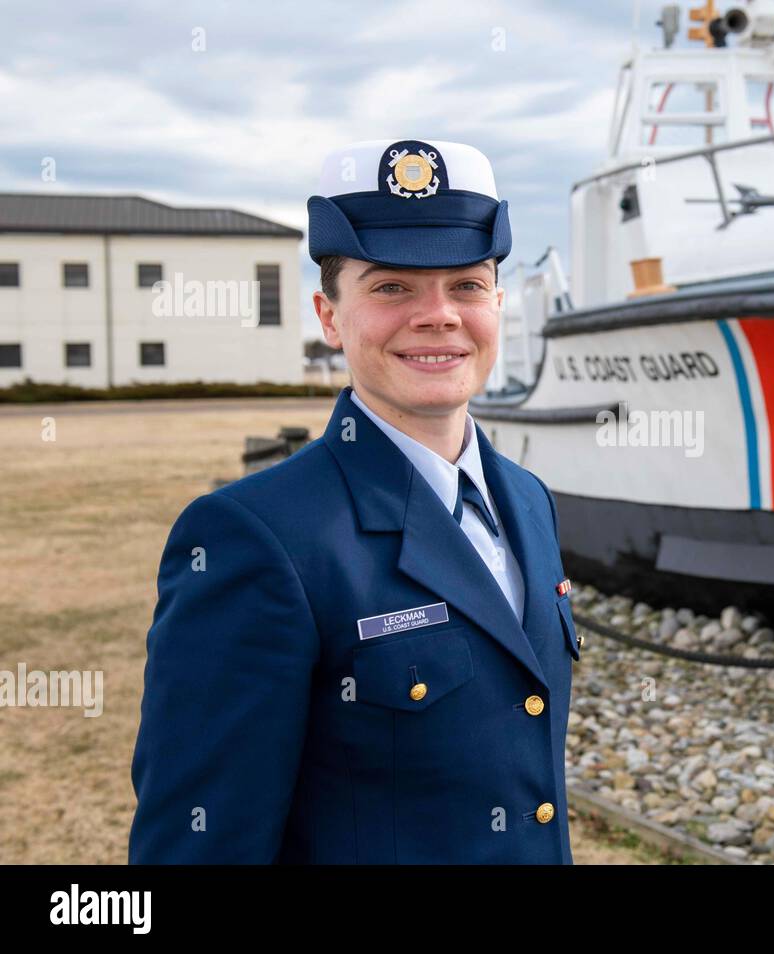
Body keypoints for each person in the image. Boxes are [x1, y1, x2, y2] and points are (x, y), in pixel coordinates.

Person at [129, 139, 581, 864]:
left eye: (466, 285)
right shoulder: (258, 539)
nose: (438, 316)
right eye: (392, 288)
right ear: (329, 316)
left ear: (498, 302)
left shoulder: (526, 500)